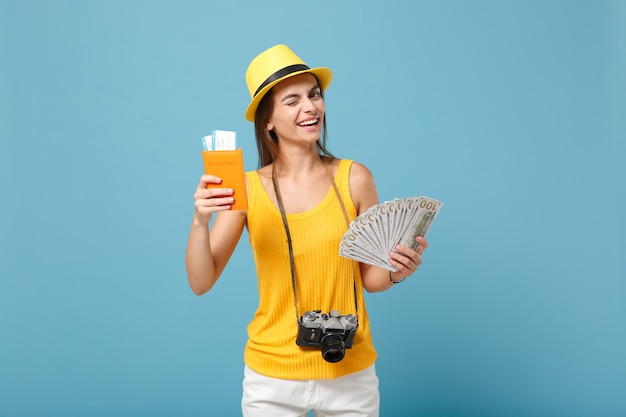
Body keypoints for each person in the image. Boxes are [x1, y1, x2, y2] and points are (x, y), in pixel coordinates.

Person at [185, 44, 429, 417]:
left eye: (314, 95)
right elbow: (201, 282)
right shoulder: (246, 188)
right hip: (272, 377)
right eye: (292, 100)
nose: (310, 107)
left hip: (350, 370)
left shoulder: (355, 178)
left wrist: (398, 270)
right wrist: (200, 221)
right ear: (267, 121)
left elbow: (371, 280)